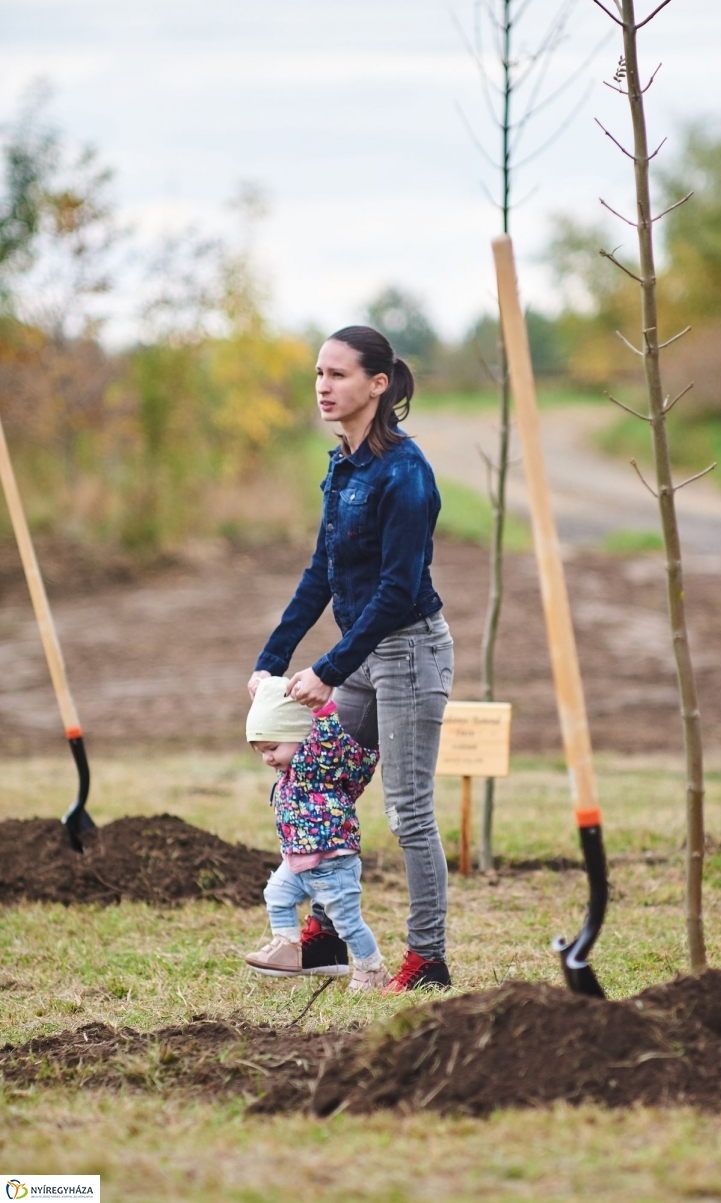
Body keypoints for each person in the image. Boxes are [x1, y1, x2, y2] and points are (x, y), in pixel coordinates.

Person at [248, 326, 454, 992]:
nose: (323, 386)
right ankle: (327, 938)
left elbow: (397, 591)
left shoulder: (405, 473)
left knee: (409, 811)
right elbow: (321, 572)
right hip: (362, 654)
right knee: (311, 778)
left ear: (378, 384)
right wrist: (274, 658)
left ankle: (426, 961)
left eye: (338, 374)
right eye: (318, 373)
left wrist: (328, 669)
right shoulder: (343, 466)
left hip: (410, 653)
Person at [244, 676, 389, 991]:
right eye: (261, 752)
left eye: (272, 747)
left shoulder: (316, 760)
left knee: (347, 923)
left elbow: (327, 736)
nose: (268, 758)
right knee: (276, 895)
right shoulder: (289, 770)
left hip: (331, 861)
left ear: (298, 736)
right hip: (300, 859)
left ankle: (372, 969)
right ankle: (287, 946)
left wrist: (322, 709)